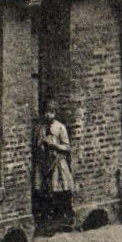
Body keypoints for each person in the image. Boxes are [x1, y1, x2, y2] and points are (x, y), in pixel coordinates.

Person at [32, 98, 74, 233]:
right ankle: (47, 221)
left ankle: (62, 218)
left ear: (55, 113)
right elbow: (36, 144)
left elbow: (67, 147)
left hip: (57, 162)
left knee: (58, 190)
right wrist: (41, 143)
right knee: (44, 191)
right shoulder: (40, 128)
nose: (48, 115)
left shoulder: (60, 127)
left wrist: (55, 145)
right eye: (46, 112)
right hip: (44, 162)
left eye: (50, 112)